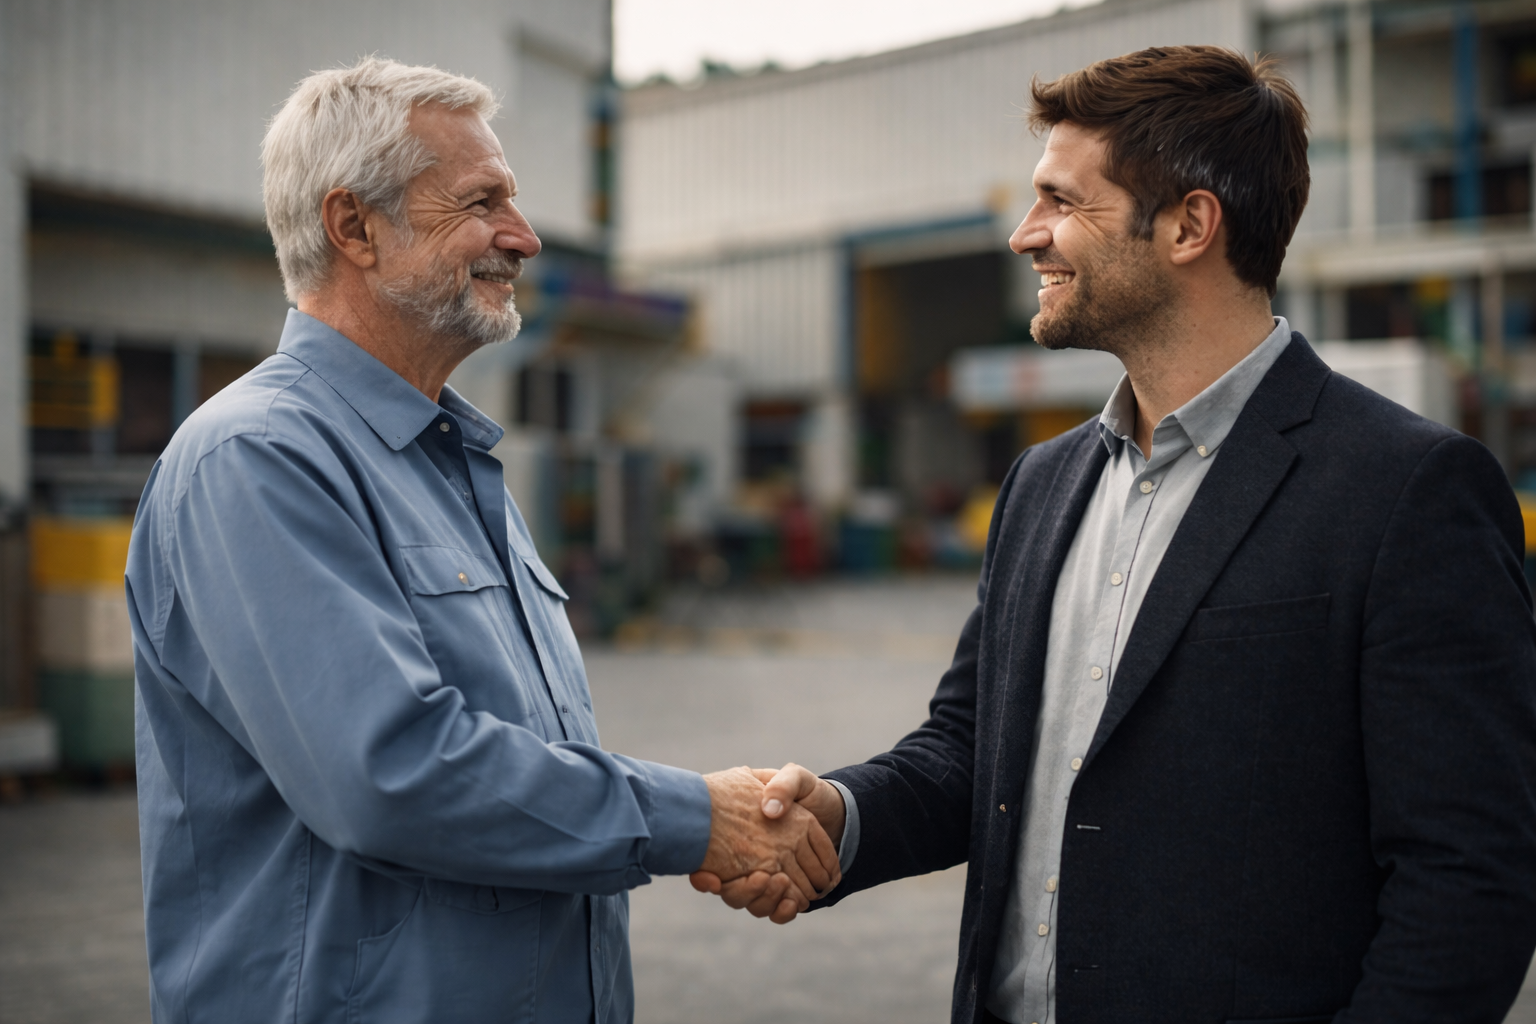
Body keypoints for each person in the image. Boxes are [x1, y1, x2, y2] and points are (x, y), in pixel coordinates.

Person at [694, 45, 1536, 1023]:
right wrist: (837, 818)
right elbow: (973, 752)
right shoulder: (1042, 485)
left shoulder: (1407, 490)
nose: (1025, 236)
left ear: (1188, 225)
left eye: (1062, 201)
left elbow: (1471, 876)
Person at [127, 57, 839, 1024]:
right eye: (482, 201)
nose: (525, 235)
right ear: (355, 228)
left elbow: (512, 758)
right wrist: (696, 819)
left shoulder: (449, 457)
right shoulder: (256, 458)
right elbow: (390, 775)